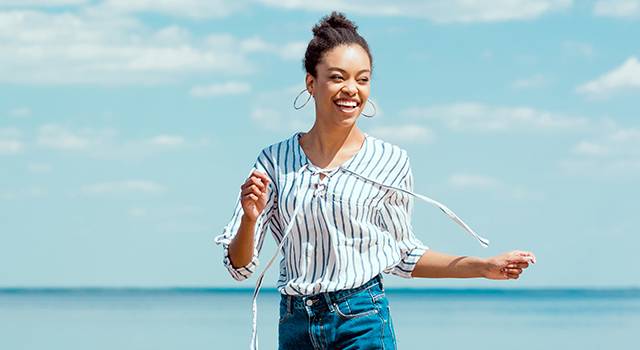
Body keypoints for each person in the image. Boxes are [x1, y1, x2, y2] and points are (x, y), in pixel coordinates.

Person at [214, 11, 537, 350]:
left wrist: (482, 266)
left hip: (362, 318)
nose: (351, 89)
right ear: (311, 82)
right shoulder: (273, 161)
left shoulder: (390, 160)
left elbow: (402, 254)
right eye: (337, 77)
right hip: (295, 325)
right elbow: (239, 268)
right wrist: (250, 219)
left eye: (362, 79)